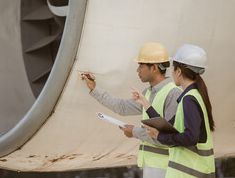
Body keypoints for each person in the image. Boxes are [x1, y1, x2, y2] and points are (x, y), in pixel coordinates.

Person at [81, 43, 182, 178]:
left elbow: (169, 137)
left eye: (141, 66)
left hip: (167, 168)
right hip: (152, 166)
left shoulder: (173, 93)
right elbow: (121, 107)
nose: (137, 70)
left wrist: (134, 131)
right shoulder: (149, 93)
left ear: (154, 68)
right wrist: (94, 89)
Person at [133, 44, 216, 178]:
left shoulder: (189, 99)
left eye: (173, 69)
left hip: (189, 174)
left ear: (179, 71)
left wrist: (160, 136)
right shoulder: (192, 96)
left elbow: (191, 137)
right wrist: (146, 104)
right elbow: (169, 126)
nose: (171, 73)